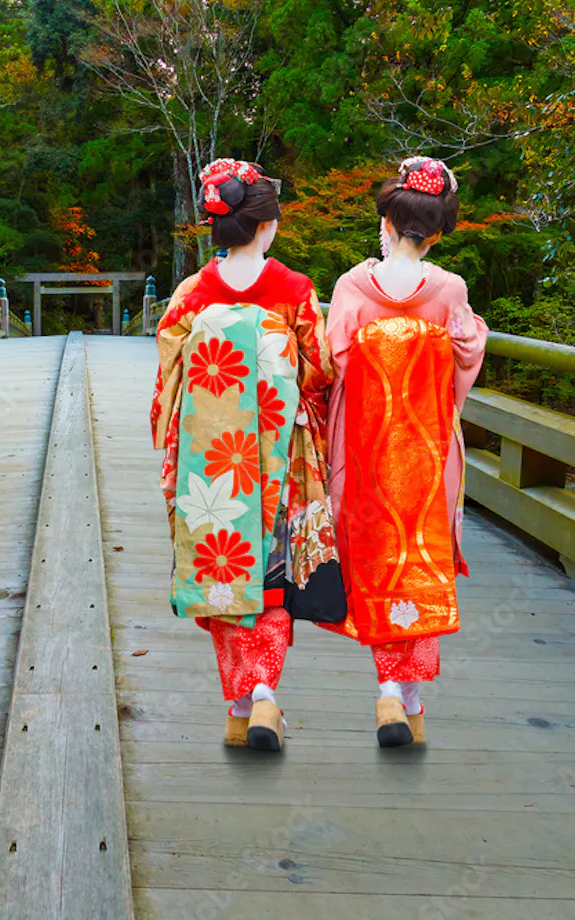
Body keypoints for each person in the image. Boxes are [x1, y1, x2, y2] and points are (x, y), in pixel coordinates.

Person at [151, 158, 338, 752]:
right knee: (272, 576)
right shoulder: (295, 291)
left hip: (210, 463)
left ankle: (239, 705)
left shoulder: (191, 296)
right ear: (267, 228)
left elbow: (169, 381)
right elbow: (319, 372)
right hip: (277, 459)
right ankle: (264, 698)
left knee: (221, 576)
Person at [320, 157, 488, 748]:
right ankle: (401, 695)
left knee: (373, 560)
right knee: (421, 560)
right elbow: (465, 358)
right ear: (438, 232)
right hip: (426, 450)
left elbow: (333, 363)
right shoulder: (449, 290)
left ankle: (391, 689)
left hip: (363, 452)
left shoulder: (349, 287)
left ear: (385, 224)